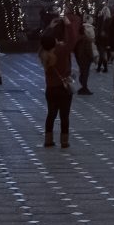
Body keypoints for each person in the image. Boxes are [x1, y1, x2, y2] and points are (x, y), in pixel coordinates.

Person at [39, 18, 74, 148]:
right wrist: (68, 25)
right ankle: (64, 141)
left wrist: (49, 28)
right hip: (63, 89)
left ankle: (48, 140)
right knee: (64, 116)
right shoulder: (61, 51)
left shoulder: (43, 54)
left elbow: (42, 42)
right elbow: (71, 41)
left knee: (51, 114)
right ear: (54, 42)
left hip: (50, 89)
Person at [74, 15, 96, 95]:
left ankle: (83, 87)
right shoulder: (86, 40)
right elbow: (88, 50)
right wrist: (92, 58)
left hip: (80, 58)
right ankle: (84, 87)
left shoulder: (78, 39)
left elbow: (75, 49)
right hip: (85, 58)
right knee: (85, 73)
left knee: (82, 72)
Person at [95, 4, 111, 72]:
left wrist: (106, 34)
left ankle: (101, 67)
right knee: (102, 54)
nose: (104, 11)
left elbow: (110, 31)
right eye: (104, 10)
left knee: (102, 54)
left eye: (106, 10)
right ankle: (104, 67)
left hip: (106, 40)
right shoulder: (100, 18)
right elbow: (98, 28)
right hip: (99, 39)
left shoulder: (110, 20)